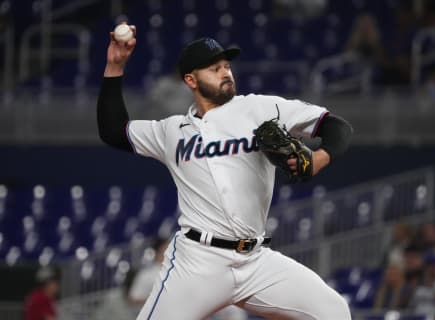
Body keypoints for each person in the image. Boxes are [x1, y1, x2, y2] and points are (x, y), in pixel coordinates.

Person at [97, 23, 353, 319]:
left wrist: (320, 157)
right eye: (214, 68)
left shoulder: (261, 107)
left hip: (255, 261)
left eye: (226, 65)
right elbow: (114, 131)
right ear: (191, 80)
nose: (225, 72)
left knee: (334, 311)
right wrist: (114, 66)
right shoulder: (171, 131)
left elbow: (337, 126)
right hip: (197, 262)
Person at [128, 237, 169, 305]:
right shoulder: (146, 274)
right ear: (157, 252)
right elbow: (133, 299)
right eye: (166, 249)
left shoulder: (180, 270)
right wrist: (158, 302)